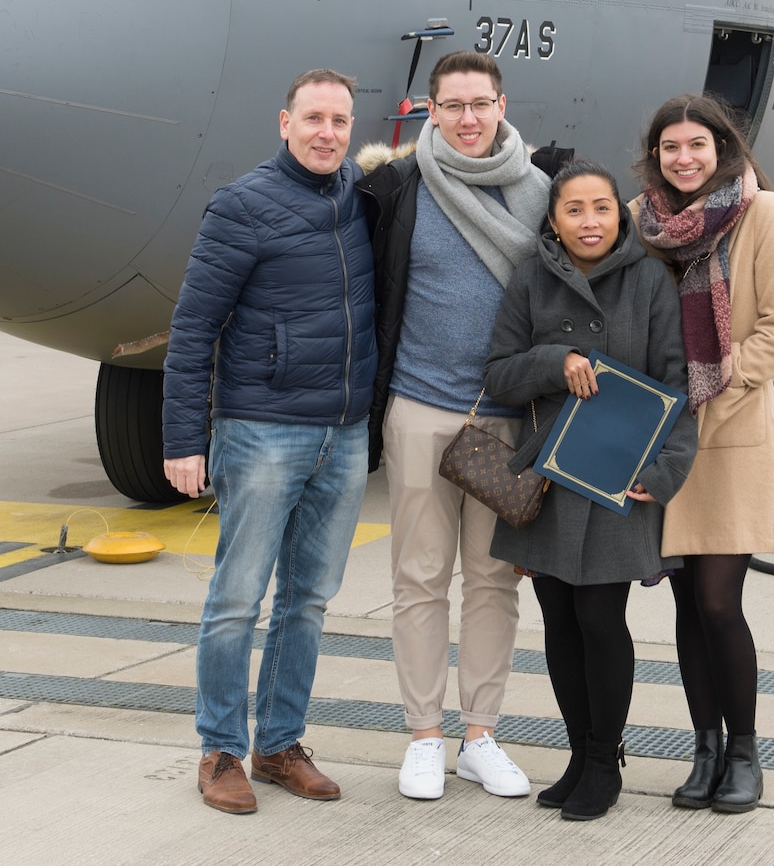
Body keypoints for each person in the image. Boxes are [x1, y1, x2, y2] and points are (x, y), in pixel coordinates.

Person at [161, 70, 378, 816]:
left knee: (309, 599)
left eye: (340, 119)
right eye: (313, 117)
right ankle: (220, 747)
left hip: (344, 434)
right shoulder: (243, 205)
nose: (327, 131)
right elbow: (192, 329)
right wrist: (184, 438)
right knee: (237, 597)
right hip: (262, 430)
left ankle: (280, 742)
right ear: (284, 122)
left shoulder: (361, 195)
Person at [353, 50, 560, 802]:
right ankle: (423, 735)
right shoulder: (401, 187)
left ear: (502, 104)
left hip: (508, 420)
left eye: (481, 103)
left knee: (495, 582)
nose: (468, 118)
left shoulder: (543, 193)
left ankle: (480, 734)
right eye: (453, 105)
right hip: (420, 408)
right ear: (430, 110)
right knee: (418, 579)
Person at [482, 160, 697, 821]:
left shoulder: (650, 281)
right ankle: (578, 751)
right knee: (560, 622)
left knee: (601, 619)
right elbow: (498, 373)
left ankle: (605, 759)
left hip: (617, 478)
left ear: (619, 213)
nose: (590, 221)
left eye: (601, 207)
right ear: (553, 219)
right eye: (574, 209)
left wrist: (663, 474)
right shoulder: (529, 279)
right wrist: (556, 361)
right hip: (549, 475)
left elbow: (677, 384)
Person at [633, 94, 774, 815]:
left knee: (717, 601)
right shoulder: (645, 223)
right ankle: (703, 748)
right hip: (665, 438)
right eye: (671, 146)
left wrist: (719, 380)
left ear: (723, 148)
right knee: (683, 604)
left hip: (729, 432)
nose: (684, 157)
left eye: (697, 145)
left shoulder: (760, 213)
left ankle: (744, 750)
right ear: (656, 154)